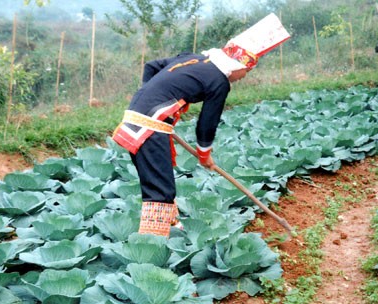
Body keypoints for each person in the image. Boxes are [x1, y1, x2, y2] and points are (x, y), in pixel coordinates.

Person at [112, 13, 290, 237]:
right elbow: (207, 123)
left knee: (160, 181)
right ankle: (153, 242)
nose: (245, 76)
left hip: (136, 120)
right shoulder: (219, 81)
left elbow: (151, 67)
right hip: (148, 127)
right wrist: (204, 154)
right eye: (248, 70)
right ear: (237, 65)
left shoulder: (194, 59)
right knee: (159, 190)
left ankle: (171, 230)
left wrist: (148, 96)